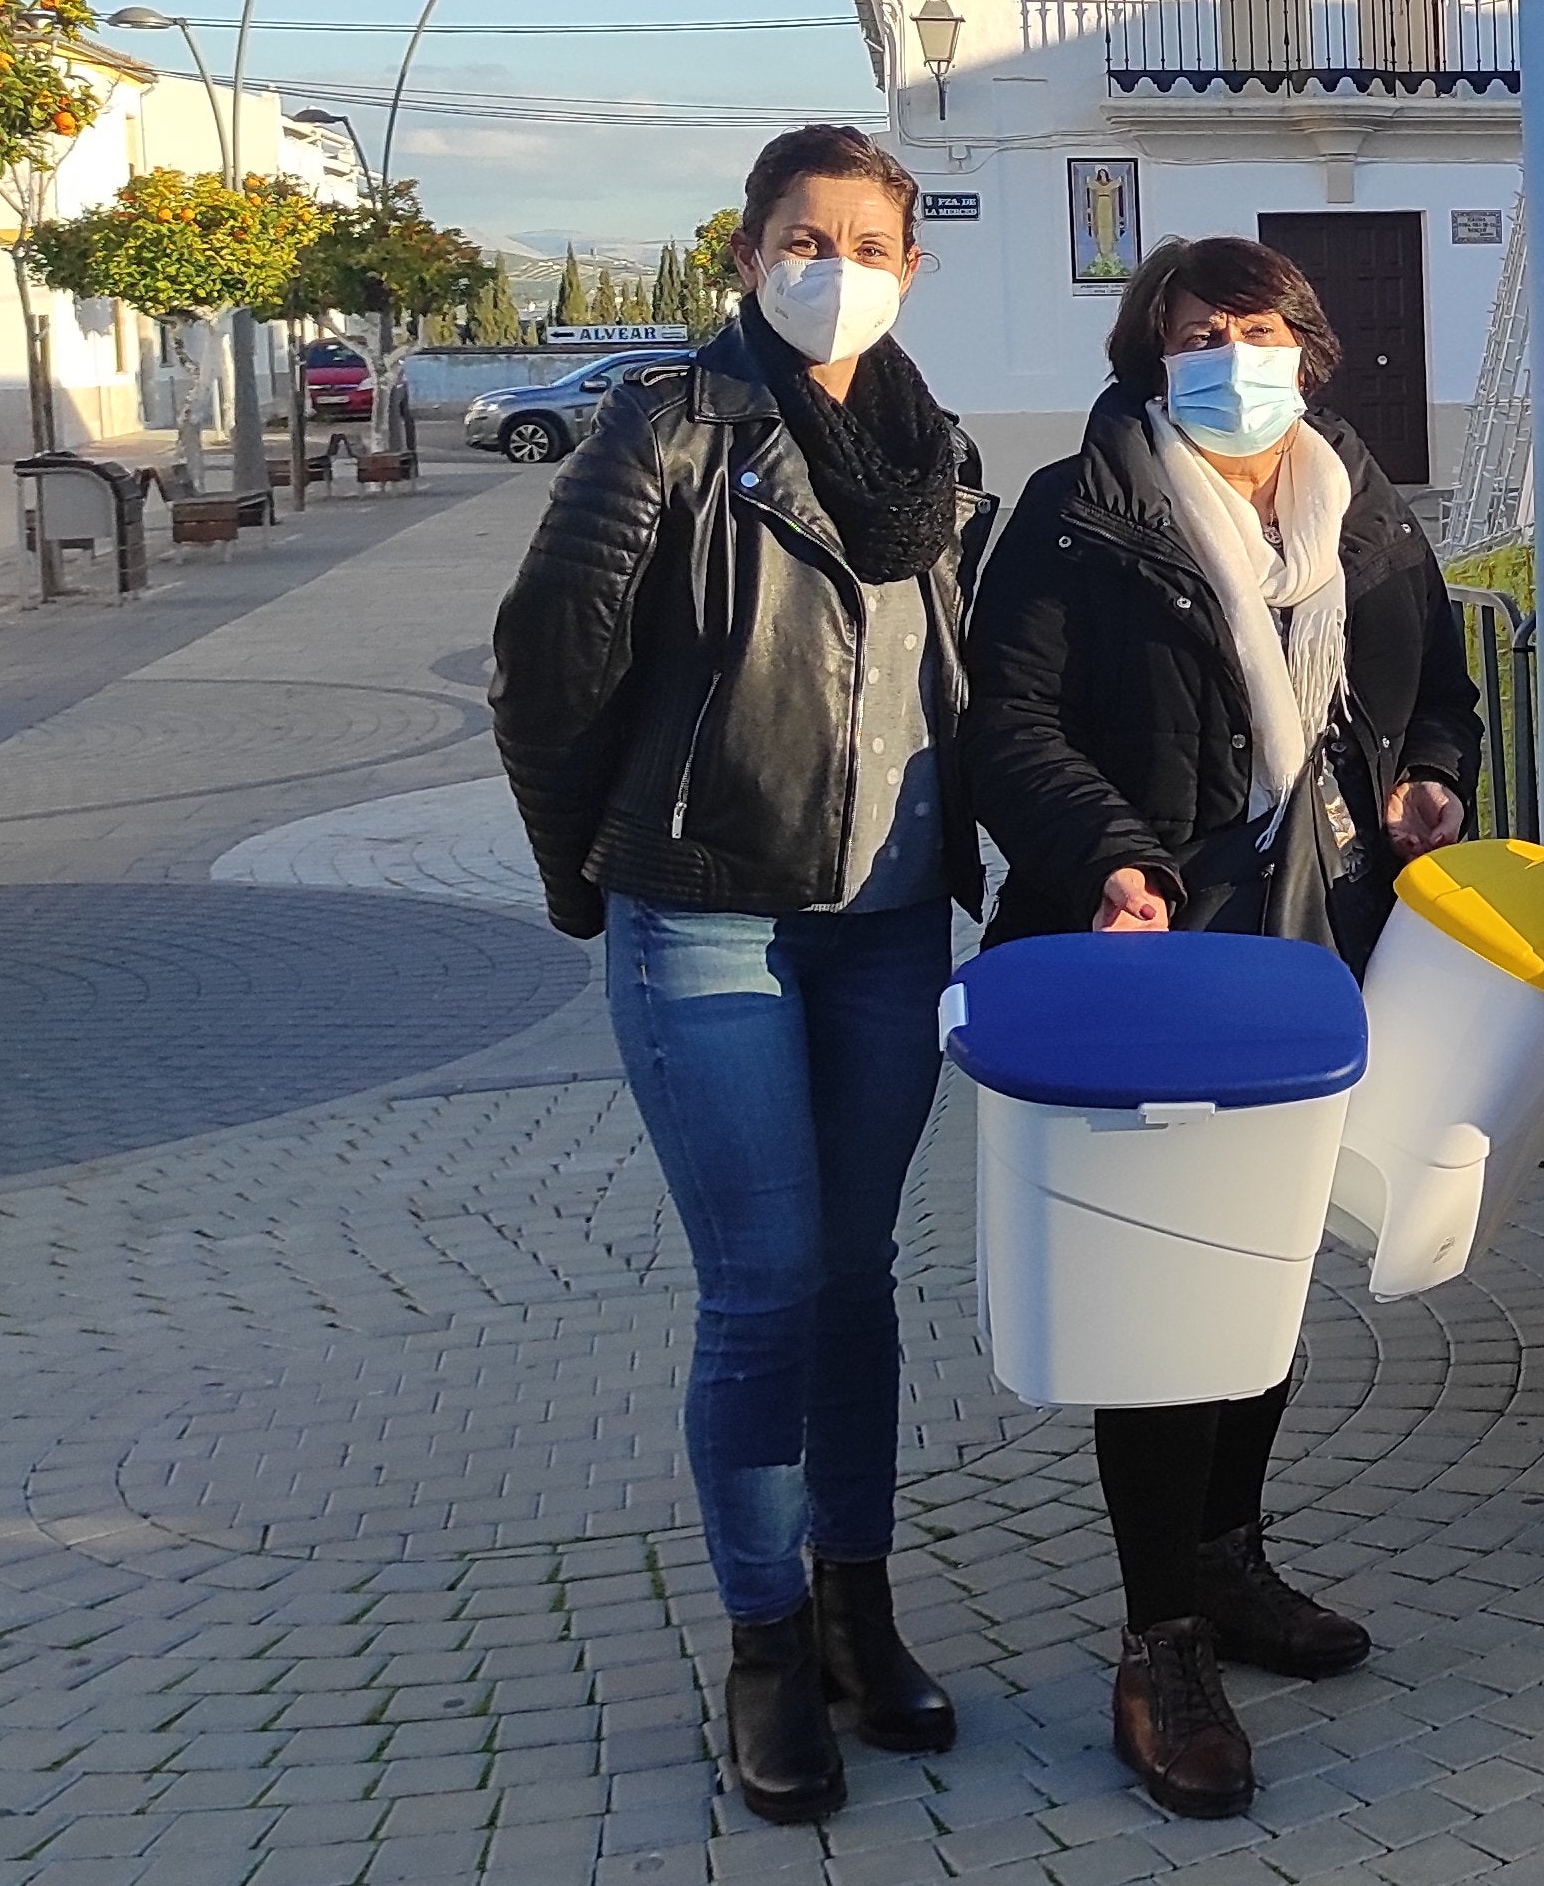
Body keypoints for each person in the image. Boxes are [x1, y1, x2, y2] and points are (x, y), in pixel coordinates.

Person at [490, 125, 987, 1825]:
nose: (834, 260)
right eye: (803, 232)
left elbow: (959, 697)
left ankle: (858, 1600)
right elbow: (545, 666)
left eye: (867, 238)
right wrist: (595, 876)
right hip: (707, 913)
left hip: (888, 923)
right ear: (749, 250)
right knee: (767, 1284)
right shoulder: (672, 424)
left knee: (857, 1280)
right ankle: (766, 1639)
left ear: (910, 270)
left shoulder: (937, 454)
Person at [958, 234, 1481, 1820]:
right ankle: (1158, 1638)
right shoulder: (1082, 510)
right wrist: (1113, 851)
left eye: (1260, 327)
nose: (1234, 354)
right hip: (1154, 945)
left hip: (1320, 941)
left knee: (1262, 1277)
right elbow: (1009, 720)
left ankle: (1232, 1560)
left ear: (1306, 347)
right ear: (1151, 350)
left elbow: (1439, 686)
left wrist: (1433, 782)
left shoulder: (1357, 500)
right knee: (1157, 1304)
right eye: (1201, 331)